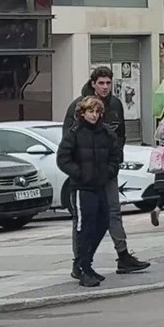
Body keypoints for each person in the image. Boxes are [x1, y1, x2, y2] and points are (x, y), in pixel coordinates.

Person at [64, 66, 150, 275]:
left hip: (107, 170)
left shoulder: (115, 105)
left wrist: (114, 164)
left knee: (113, 211)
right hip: (85, 174)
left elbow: (120, 137)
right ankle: (80, 262)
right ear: (93, 84)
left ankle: (123, 255)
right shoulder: (78, 106)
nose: (104, 87)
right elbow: (69, 142)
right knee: (83, 218)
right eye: (101, 83)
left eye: (108, 83)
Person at [57, 96, 122, 288]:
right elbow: (63, 159)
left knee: (102, 223)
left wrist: (109, 172)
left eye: (97, 112)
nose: (94, 115)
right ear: (82, 113)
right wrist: (80, 174)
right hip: (82, 188)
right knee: (85, 227)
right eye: (90, 112)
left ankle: (86, 262)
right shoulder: (74, 133)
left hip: (100, 184)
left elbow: (115, 156)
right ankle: (83, 267)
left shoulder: (106, 133)